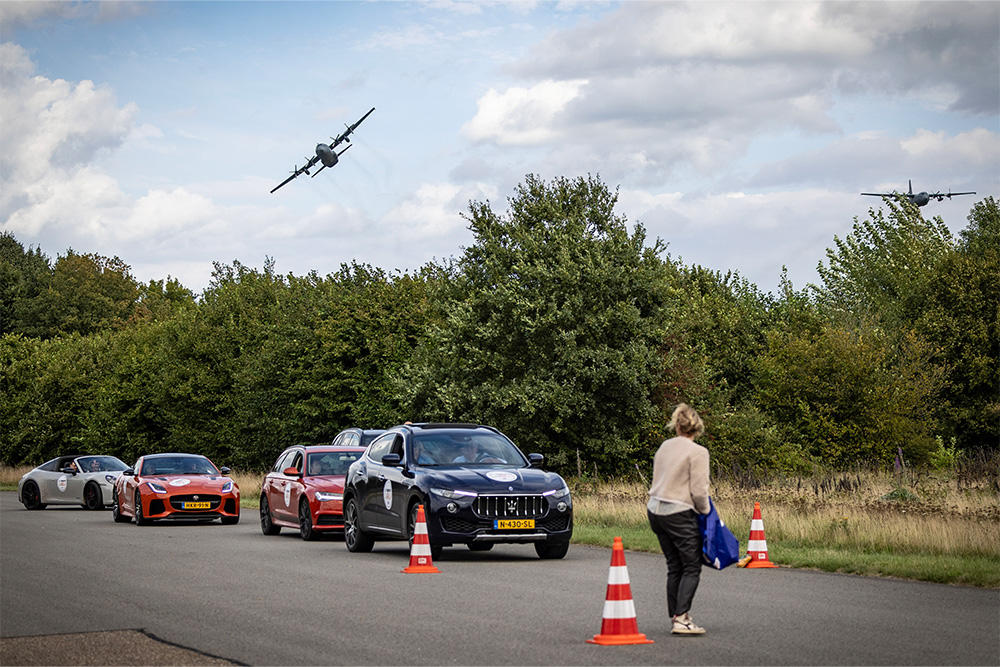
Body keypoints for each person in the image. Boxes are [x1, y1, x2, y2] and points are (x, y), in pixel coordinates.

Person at [647, 403, 711, 635]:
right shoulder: (699, 452)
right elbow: (699, 492)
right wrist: (706, 513)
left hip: (655, 510)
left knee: (674, 566)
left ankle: (676, 614)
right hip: (678, 512)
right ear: (697, 429)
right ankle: (681, 618)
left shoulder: (665, 446)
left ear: (677, 426)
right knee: (692, 566)